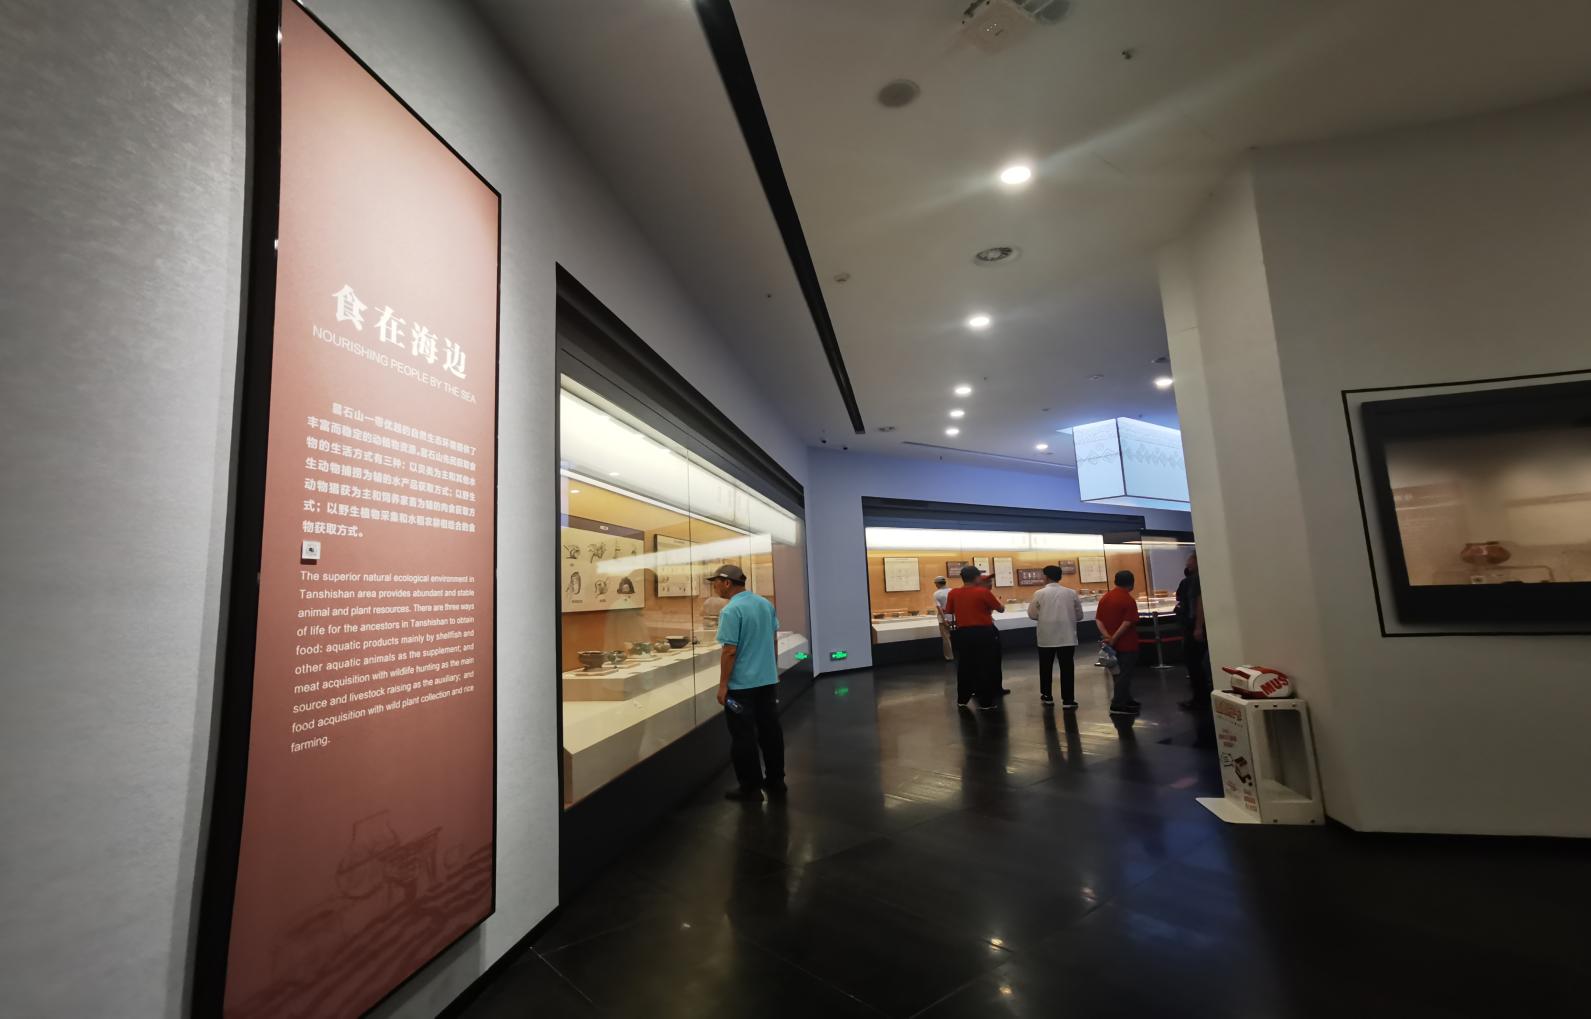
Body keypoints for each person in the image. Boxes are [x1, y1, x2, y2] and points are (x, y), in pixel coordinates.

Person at [707, 564, 785, 802]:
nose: (714, 587)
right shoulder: (764, 604)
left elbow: (729, 651)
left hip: (741, 687)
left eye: (716, 582)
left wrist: (723, 685)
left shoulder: (731, 610)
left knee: (743, 736)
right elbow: (773, 639)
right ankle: (776, 780)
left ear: (727, 583)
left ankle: (750, 789)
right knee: (770, 732)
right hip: (767, 682)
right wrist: (771, 669)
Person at [944, 564, 1004, 709]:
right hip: (983, 632)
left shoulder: (953, 593)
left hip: (963, 633)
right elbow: (1001, 609)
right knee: (985, 665)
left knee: (965, 665)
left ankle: (962, 699)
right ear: (977, 578)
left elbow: (949, 610)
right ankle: (985, 702)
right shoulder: (983, 592)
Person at [1027, 565, 1084, 708]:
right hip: (1067, 636)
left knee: (1045, 667)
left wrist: (1045, 616)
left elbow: (1032, 614)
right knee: (1067, 668)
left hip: (1046, 637)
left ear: (1046, 577)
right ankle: (1068, 700)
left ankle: (1047, 696)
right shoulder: (1071, 593)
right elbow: (1079, 615)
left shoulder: (1039, 593)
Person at [1095, 570, 1141, 716]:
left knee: (1117, 673)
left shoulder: (1106, 598)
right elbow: (1127, 623)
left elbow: (1098, 620)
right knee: (1125, 674)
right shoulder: (1128, 600)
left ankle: (1127, 699)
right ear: (1131, 583)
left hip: (1110, 645)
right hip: (1127, 643)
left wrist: (1107, 636)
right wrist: (1114, 638)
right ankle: (1118, 704)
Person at [1175, 554, 1212, 711]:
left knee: (1195, 663)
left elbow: (1199, 602)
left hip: (1196, 627)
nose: (1187, 564)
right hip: (1199, 626)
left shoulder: (1196, 580)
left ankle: (1201, 699)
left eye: (1190, 561)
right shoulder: (1198, 579)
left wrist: (1198, 626)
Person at [932, 576, 953, 661]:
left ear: (937, 583)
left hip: (943, 619)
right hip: (954, 617)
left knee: (946, 638)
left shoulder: (936, 593)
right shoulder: (952, 591)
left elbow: (939, 608)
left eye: (935, 583)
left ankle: (949, 657)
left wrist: (944, 619)